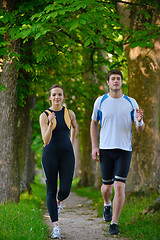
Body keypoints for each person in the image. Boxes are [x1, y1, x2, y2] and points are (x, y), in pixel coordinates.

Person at [90, 69, 145, 235]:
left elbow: (139, 128)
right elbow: (93, 124)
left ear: (122, 82)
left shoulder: (131, 102)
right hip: (106, 150)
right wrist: (94, 146)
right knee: (107, 188)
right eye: (113, 79)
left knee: (119, 187)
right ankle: (107, 203)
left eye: (118, 79)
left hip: (124, 150)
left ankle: (114, 223)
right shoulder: (100, 101)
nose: (116, 81)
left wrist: (140, 121)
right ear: (108, 82)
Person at [39, 84, 77, 239]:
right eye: (54, 95)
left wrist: (71, 143)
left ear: (63, 97)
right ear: (50, 97)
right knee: (50, 189)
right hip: (50, 155)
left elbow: (74, 127)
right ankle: (55, 227)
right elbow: (46, 140)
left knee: (65, 190)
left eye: (59, 94)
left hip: (67, 154)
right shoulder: (44, 115)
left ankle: (59, 201)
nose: (57, 97)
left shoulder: (70, 113)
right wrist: (50, 123)